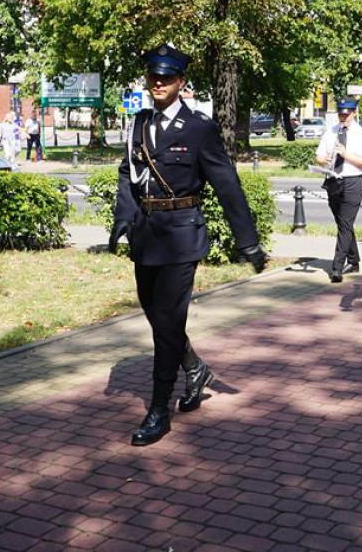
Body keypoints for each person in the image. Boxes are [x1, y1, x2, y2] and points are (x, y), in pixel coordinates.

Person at [108, 43, 268, 446]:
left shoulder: (199, 128)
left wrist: (248, 242)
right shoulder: (139, 124)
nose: (158, 83)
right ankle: (195, 369)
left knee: (168, 324)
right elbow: (129, 175)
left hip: (182, 235)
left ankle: (158, 409)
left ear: (180, 82)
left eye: (166, 78)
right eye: (153, 77)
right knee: (154, 313)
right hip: (146, 234)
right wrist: (122, 220)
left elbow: (227, 186)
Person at [315, 98, 362, 282]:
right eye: (341, 114)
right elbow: (319, 155)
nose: (343, 117)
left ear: (354, 113)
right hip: (333, 179)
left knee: (345, 223)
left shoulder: (361, 134)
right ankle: (354, 260)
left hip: (353, 181)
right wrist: (322, 159)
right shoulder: (331, 132)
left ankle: (337, 268)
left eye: (347, 114)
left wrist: (345, 154)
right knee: (343, 223)